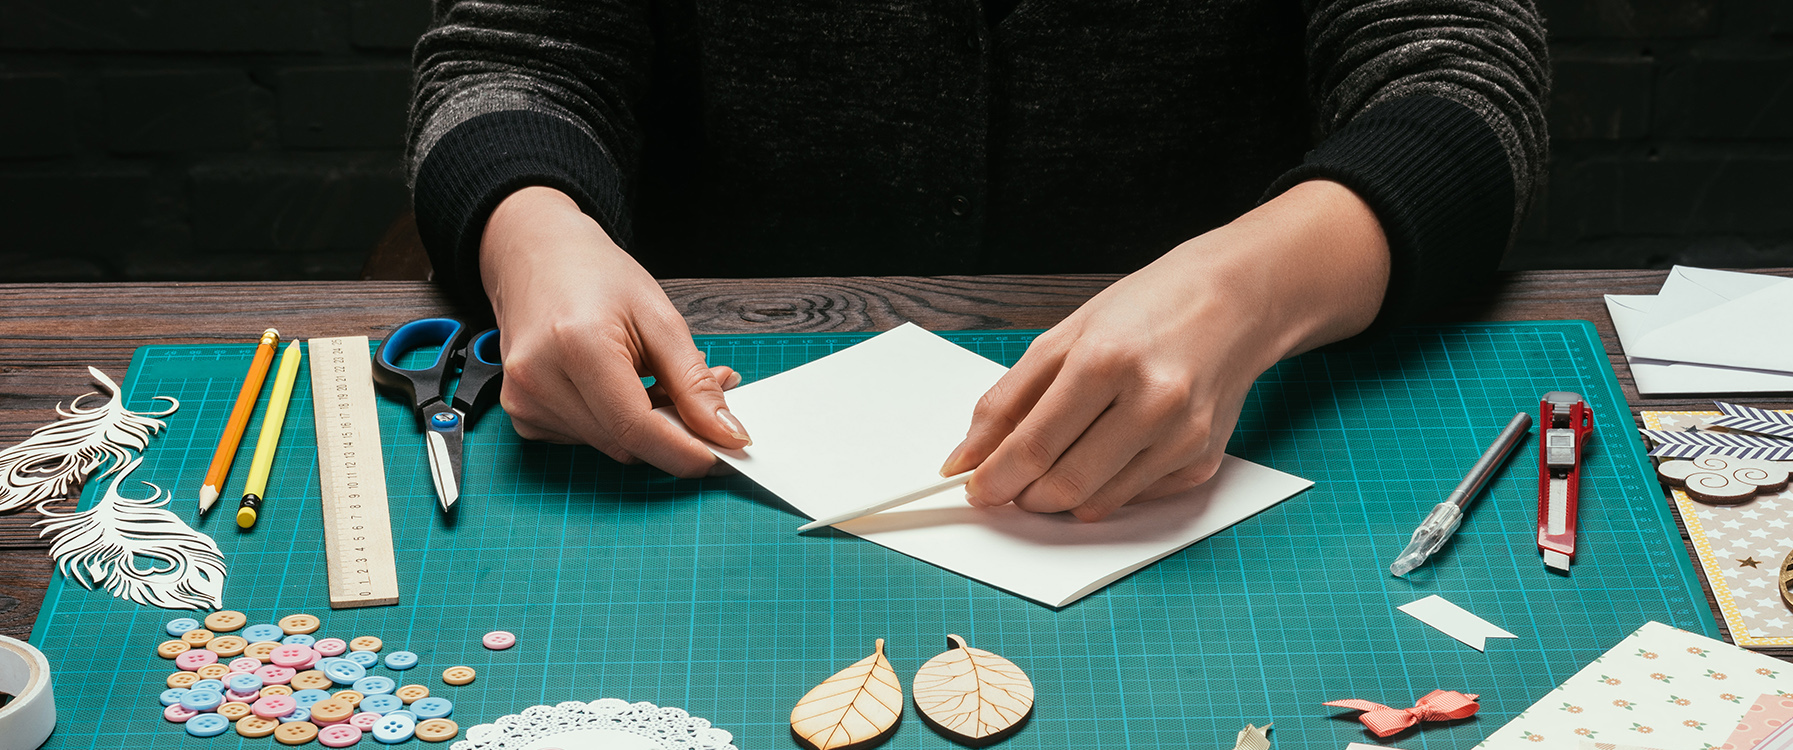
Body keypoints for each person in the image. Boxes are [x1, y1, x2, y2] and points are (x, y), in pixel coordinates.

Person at [408, 0, 1548, 521]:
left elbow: (1460, 76)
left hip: (1262, 382)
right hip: (717, 396)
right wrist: (534, 234)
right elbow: (514, 54)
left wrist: (1246, 290)